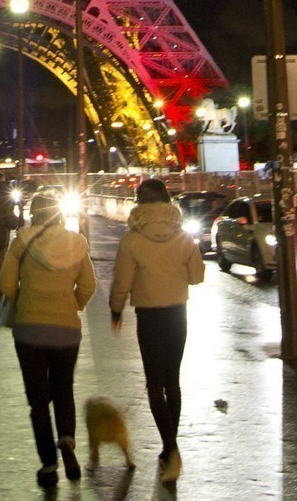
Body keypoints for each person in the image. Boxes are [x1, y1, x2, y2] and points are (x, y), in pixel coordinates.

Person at [109, 178, 205, 481]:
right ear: (167, 201)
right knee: (172, 381)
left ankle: (171, 449)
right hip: (178, 315)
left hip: (149, 317)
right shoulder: (183, 237)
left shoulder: (132, 240)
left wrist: (115, 310)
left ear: (139, 203)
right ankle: (169, 450)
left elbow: (122, 283)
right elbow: (197, 277)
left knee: (154, 384)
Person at [1, 191, 97, 488]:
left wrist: (25, 301)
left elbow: (5, 283)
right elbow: (88, 285)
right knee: (63, 388)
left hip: (29, 329)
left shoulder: (21, 242)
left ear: (33, 213)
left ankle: (48, 464)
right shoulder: (76, 243)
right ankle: (66, 441)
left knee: (38, 401)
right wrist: (72, 304)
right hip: (66, 330)